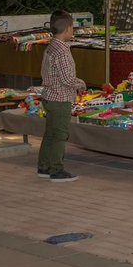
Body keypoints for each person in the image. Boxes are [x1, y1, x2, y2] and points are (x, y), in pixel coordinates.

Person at [38, 10, 87, 182]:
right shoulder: (63, 52)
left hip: (49, 96)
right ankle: (56, 170)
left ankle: (44, 165)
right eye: (72, 27)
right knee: (60, 135)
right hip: (60, 98)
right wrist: (80, 83)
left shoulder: (50, 47)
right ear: (67, 28)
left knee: (50, 133)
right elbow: (67, 79)